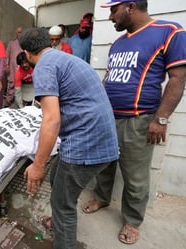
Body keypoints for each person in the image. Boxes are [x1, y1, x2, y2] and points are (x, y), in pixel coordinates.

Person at [81, 0, 186, 245]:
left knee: (135, 176)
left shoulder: (170, 32)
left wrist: (161, 119)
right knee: (104, 164)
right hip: (108, 118)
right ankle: (102, 197)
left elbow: (178, 79)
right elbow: (110, 77)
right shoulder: (119, 43)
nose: (110, 17)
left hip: (139, 120)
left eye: (113, 10)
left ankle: (132, 219)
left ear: (130, 7)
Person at [19, 27, 119, 249]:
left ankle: (63, 233)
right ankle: (57, 222)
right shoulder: (65, 59)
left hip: (85, 144)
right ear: (50, 43)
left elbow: (51, 120)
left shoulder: (43, 67)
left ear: (26, 53)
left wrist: (37, 164)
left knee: (63, 203)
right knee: (57, 174)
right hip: (102, 140)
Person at [5, 26, 23, 106]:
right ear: (16, 33)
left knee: (20, 86)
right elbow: (7, 55)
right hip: (12, 69)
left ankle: (19, 102)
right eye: (19, 32)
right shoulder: (11, 43)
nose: (20, 34)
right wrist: (7, 65)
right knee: (11, 85)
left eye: (21, 32)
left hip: (22, 69)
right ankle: (8, 102)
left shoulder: (25, 43)